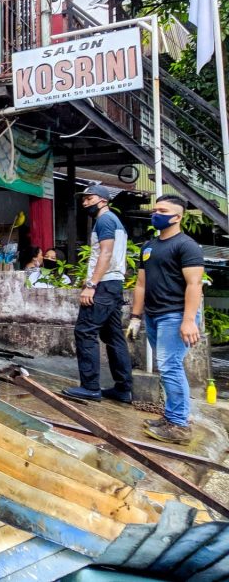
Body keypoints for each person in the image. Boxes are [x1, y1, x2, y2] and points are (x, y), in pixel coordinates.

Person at [125, 195, 204, 445]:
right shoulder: (149, 246)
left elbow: (195, 284)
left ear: (178, 216)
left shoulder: (186, 245)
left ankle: (179, 425)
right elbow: (140, 284)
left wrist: (189, 320)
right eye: (155, 209)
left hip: (177, 314)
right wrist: (136, 316)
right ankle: (171, 417)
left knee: (170, 367)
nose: (155, 214)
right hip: (154, 314)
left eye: (163, 210)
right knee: (167, 367)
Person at [62, 184, 134, 403]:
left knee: (85, 331)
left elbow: (106, 252)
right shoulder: (114, 221)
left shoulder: (104, 220)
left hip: (103, 285)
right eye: (83, 200)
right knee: (113, 337)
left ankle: (90, 387)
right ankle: (123, 389)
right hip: (113, 284)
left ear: (103, 200)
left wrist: (91, 284)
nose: (85, 203)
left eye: (89, 198)